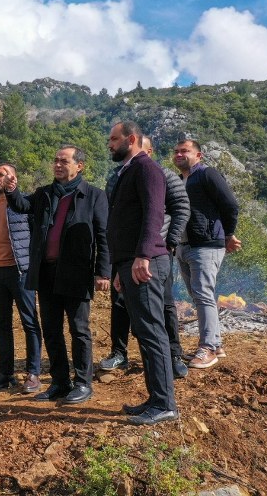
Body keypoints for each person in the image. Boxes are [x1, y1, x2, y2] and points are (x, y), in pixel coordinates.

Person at [5, 146, 110, 405]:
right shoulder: (45, 194)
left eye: (64, 161)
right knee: (51, 330)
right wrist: (11, 190)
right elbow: (22, 205)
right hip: (47, 273)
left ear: (79, 166)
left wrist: (103, 272)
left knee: (79, 330)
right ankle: (60, 382)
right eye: (55, 161)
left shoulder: (94, 196)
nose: (58, 165)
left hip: (76, 273)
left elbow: (104, 237)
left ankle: (83, 383)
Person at [99, 135, 191, 379]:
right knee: (119, 304)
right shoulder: (117, 178)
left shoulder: (164, 175)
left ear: (148, 151)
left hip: (154, 256)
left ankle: (173, 354)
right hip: (125, 255)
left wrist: (169, 243)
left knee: (166, 305)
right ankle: (119, 352)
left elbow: (181, 209)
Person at [107, 121, 178, 425]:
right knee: (145, 333)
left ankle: (164, 404)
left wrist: (142, 255)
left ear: (131, 139)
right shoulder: (128, 171)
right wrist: (122, 266)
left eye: (114, 139)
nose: (109, 144)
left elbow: (153, 213)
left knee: (152, 332)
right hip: (131, 263)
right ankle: (155, 398)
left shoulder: (147, 169)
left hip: (146, 262)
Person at [173, 139, 241, 369]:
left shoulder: (207, 174)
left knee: (202, 294)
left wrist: (228, 234)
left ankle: (208, 348)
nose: (179, 154)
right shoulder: (178, 180)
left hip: (206, 244)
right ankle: (216, 344)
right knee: (199, 296)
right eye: (176, 151)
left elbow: (230, 205)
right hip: (183, 245)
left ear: (198, 155)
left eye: (185, 151)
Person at [0, 162, 42, 393]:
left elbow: (36, 236)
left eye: (2, 174)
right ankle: (5, 374)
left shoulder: (24, 203)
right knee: (2, 325)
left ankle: (34, 373)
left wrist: (34, 268)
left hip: (20, 272)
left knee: (30, 323)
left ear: (13, 178)